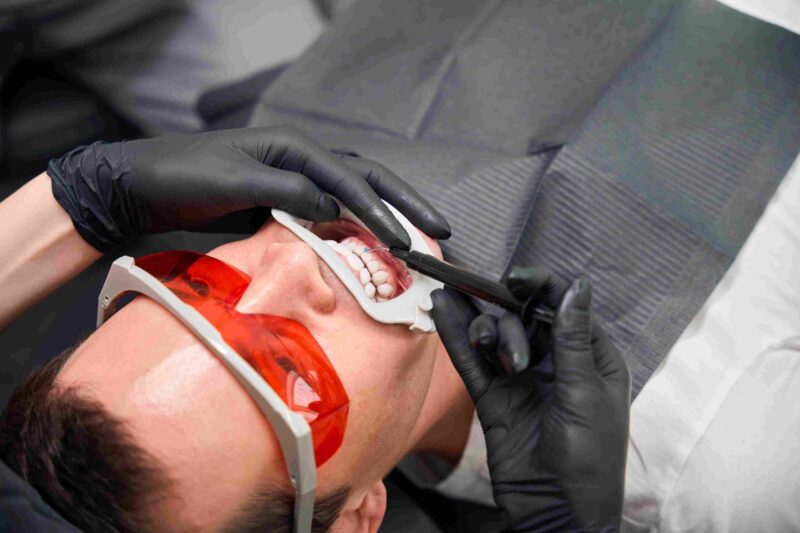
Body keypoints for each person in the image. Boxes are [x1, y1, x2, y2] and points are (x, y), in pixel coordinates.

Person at [0, 125, 630, 532]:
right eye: (290, 371)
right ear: (354, 520)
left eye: (196, 283)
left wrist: (75, 200)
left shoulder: (297, 125)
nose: (292, 263)